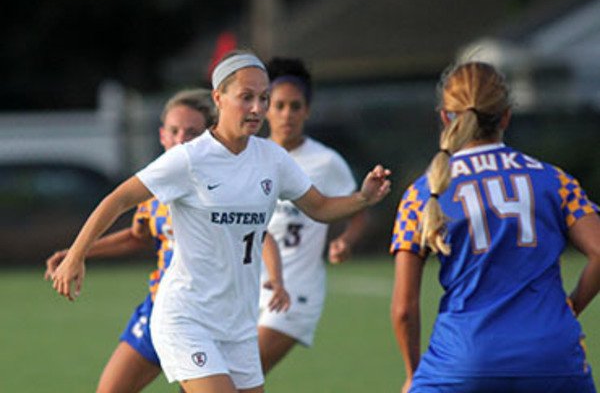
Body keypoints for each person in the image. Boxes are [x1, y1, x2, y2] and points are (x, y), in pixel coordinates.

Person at [50, 50, 391, 393]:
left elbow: (320, 207)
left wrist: (362, 198)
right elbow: (119, 199)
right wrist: (76, 255)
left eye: (263, 98)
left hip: (238, 325)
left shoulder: (272, 158)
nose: (257, 108)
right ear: (218, 98)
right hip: (186, 317)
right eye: (246, 97)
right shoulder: (190, 159)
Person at [390, 61, 600, 393]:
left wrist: (412, 373)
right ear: (506, 116)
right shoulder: (554, 179)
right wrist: (571, 306)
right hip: (554, 359)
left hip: (463, 363)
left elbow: (404, 310)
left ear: (446, 117)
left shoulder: (423, 193)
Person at [44, 89, 219, 392]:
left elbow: (257, 236)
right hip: (159, 307)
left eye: (192, 132)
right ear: (162, 135)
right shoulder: (154, 185)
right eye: (174, 131)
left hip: (208, 314)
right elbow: (137, 236)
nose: (181, 139)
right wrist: (77, 253)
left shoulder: (221, 186)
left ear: (208, 136)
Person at [257, 57, 368, 374]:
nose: (287, 114)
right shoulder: (251, 155)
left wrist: (345, 240)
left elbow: (358, 209)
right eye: (279, 105)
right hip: (248, 288)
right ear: (265, 108)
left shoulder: (326, 162)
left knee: (237, 375)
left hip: (295, 291)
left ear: (307, 111)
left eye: (295, 106)